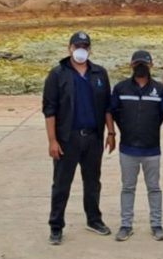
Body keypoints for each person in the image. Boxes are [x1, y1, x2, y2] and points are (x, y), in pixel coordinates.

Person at [42, 31, 115, 245]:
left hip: (93, 137)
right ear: (69, 48)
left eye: (85, 46)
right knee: (61, 184)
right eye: (77, 46)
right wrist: (52, 141)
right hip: (67, 139)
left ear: (90, 49)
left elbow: (107, 107)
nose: (80, 50)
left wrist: (110, 132)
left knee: (93, 182)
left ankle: (94, 219)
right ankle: (56, 226)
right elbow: (49, 110)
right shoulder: (57, 74)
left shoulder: (99, 74)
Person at [109, 50, 163, 242]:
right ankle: (126, 225)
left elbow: (160, 116)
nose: (141, 67)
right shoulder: (120, 89)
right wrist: (124, 130)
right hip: (128, 149)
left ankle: (156, 225)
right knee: (128, 188)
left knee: (154, 188)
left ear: (151, 66)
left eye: (144, 63)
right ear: (131, 65)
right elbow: (115, 113)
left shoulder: (159, 90)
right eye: (137, 64)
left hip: (152, 149)